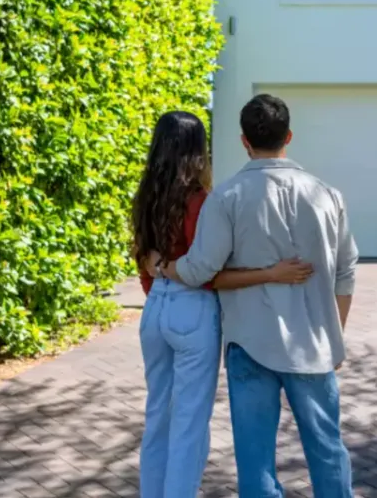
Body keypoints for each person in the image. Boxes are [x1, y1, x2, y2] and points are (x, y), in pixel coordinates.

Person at [147, 94, 358, 498]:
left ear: (244, 140)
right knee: (328, 453)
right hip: (313, 346)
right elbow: (346, 271)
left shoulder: (226, 197)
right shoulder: (328, 196)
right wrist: (337, 334)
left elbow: (198, 271)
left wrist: (162, 267)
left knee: (255, 461)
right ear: (289, 137)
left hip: (249, 345)